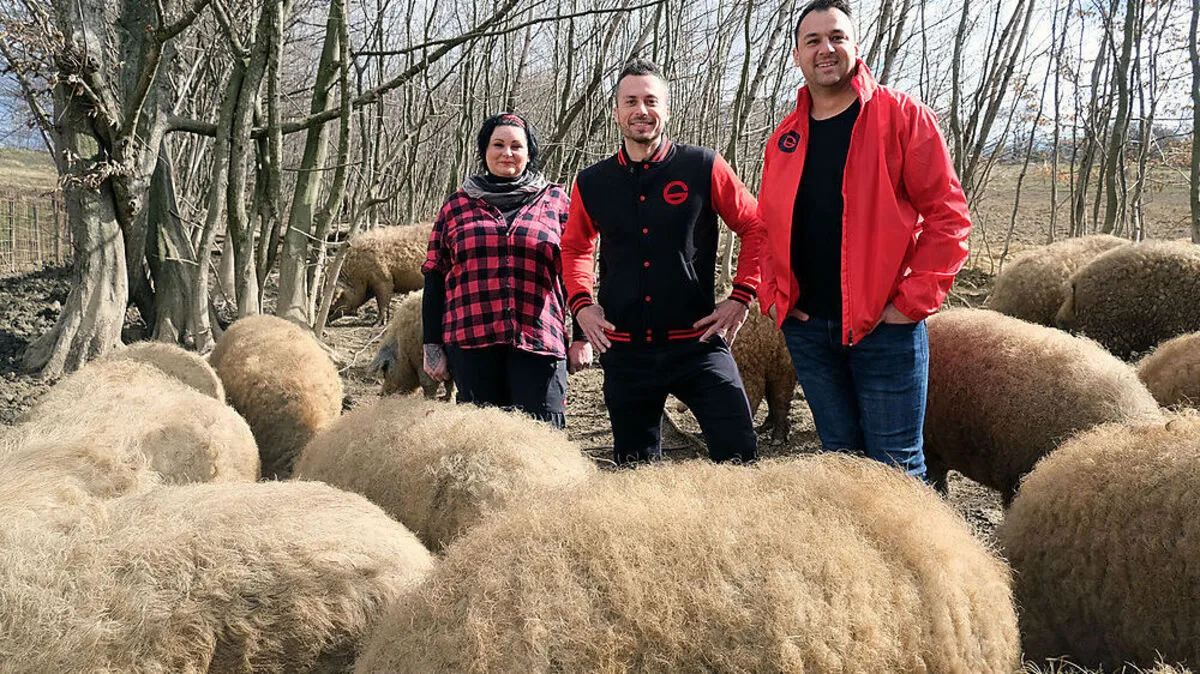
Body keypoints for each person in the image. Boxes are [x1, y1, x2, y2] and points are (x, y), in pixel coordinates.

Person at [756, 0, 971, 482]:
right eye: (812, 41)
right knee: (841, 463)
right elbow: (768, 228)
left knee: (897, 469)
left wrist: (911, 304)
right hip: (810, 331)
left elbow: (948, 217)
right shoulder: (784, 138)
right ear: (797, 55)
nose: (825, 49)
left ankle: (911, 559)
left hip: (886, 331)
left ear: (855, 45)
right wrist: (775, 297)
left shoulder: (901, 118)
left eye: (836, 37)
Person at [562, 58, 766, 466]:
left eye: (651, 101)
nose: (642, 110)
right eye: (631, 101)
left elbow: (757, 226)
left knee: (740, 453)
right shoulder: (592, 181)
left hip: (699, 343)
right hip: (625, 350)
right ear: (616, 111)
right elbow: (575, 248)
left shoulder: (702, 166)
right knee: (637, 472)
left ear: (666, 109)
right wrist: (582, 306)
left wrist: (741, 295)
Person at [421, 112, 573, 428]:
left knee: (543, 441)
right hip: (471, 340)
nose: (507, 153)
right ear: (484, 150)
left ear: (529, 153)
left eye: (517, 146)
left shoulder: (556, 200)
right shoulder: (456, 206)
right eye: (498, 144)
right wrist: (432, 344)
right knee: (482, 442)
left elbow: (576, 269)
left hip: (539, 341)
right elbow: (435, 275)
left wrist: (583, 337)